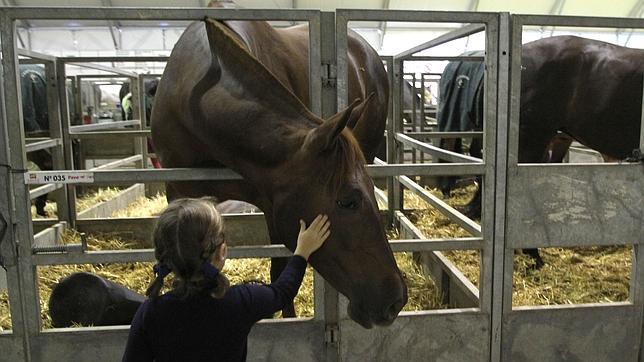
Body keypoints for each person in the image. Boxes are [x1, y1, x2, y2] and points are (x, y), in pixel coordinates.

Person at [122, 197, 330, 361]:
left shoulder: (150, 313)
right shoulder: (240, 301)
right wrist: (302, 252)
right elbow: (282, 292)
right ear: (222, 252)